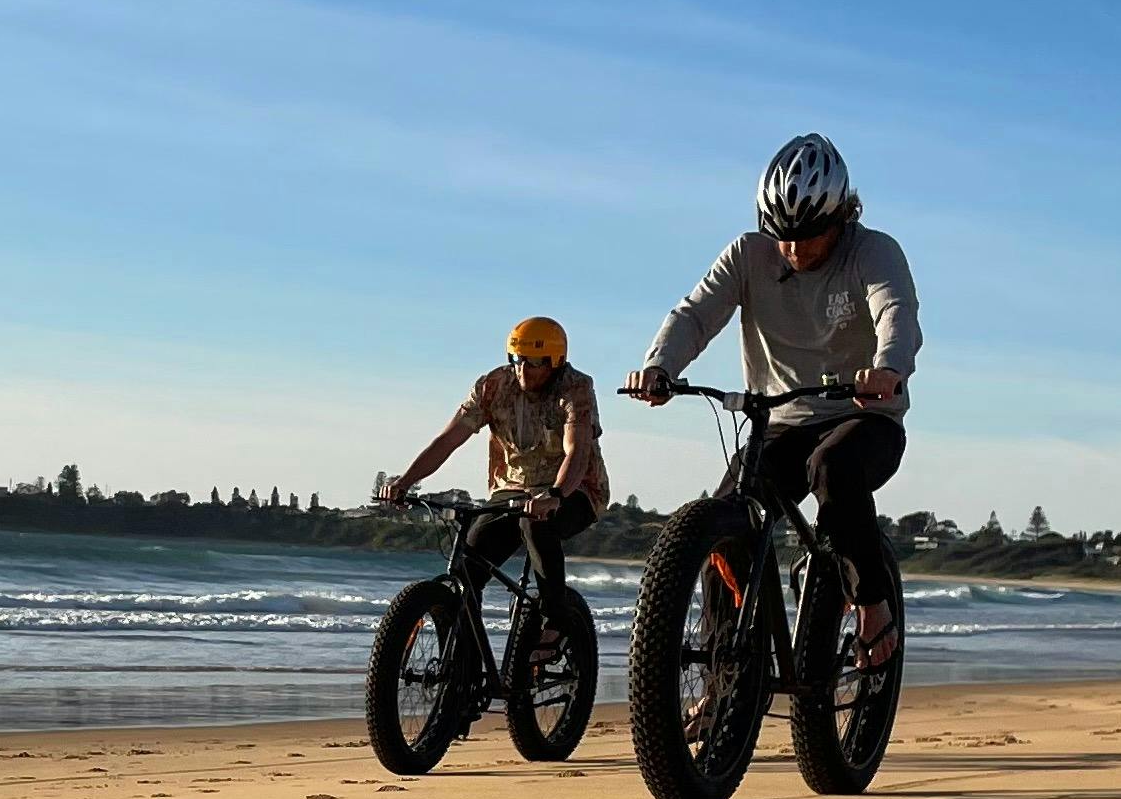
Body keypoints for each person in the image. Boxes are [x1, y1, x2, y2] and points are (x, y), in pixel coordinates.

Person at [623, 133, 921, 660]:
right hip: (781, 422)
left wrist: (888, 368)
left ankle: (872, 603)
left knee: (832, 468)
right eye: (780, 234)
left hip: (863, 415)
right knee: (722, 526)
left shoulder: (874, 252)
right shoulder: (748, 254)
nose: (793, 249)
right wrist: (659, 366)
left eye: (807, 235)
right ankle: (728, 676)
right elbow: (694, 314)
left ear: (840, 217)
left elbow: (894, 311)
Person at [378, 317, 611, 588]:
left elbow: (577, 451)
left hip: (575, 490)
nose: (524, 370)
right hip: (511, 488)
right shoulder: (492, 386)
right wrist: (404, 482)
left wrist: (554, 495)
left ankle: (555, 622)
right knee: (467, 574)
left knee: (535, 524)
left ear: (555, 361)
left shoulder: (575, 387)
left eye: (535, 362)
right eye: (518, 359)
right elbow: (447, 440)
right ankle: (459, 626)